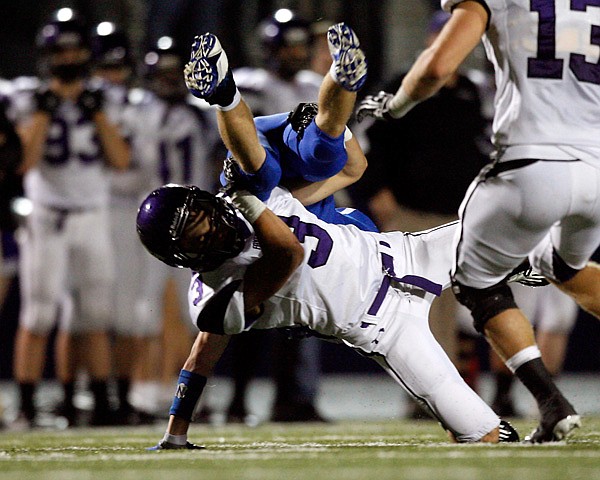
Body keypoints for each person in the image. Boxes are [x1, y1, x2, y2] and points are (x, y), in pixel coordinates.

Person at [138, 26, 525, 449]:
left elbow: (350, 169)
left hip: (406, 253)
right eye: (196, 235)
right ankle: (244, 98)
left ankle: (279, 89)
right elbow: (285, 257)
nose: (211, 227)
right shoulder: (211, 297)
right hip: (385, 326)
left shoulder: (253, 199)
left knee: (536, 240)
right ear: (182, 257)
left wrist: (341, 131)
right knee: (484, 436)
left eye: (203, 216)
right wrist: (175, 430)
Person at [356, 0, 600, 442]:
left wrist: (395, 105)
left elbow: (436, 66)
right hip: (597, 169)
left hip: (532, 164)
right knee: (567, 269)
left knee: (475, 282)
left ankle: (550, 403)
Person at [206, 10, 355, 424]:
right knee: (247, 302)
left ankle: (295, 397)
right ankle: (237, 398)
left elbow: (347, 160)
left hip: (306, 200)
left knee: (302, 306)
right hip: (256, 197)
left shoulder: (312, 86)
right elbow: (224, 144)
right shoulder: (257, 84)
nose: (292, 53)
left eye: (297, 45)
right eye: (285, 45)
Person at [351, 10, 489, 417]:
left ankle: (452, 395)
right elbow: (367, 141)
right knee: (415, 312)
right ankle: (422, 396)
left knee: (461, 311)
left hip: (457, 218)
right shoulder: (402, 86)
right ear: (431, 40)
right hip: (411, 215)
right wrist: (375, 192)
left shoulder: (469, 91)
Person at [8, 8, 130, 428]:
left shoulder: (108, 98)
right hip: (46, 214)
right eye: (61, 50)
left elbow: (120, 159)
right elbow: (23, 163)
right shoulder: (27, 97)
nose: (67, 57)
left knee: (96, 315)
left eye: (74, 49)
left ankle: (99, 401)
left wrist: (95, 113)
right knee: (38, 314)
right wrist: (43, 112)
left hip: (92, 212)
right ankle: (25, 406)